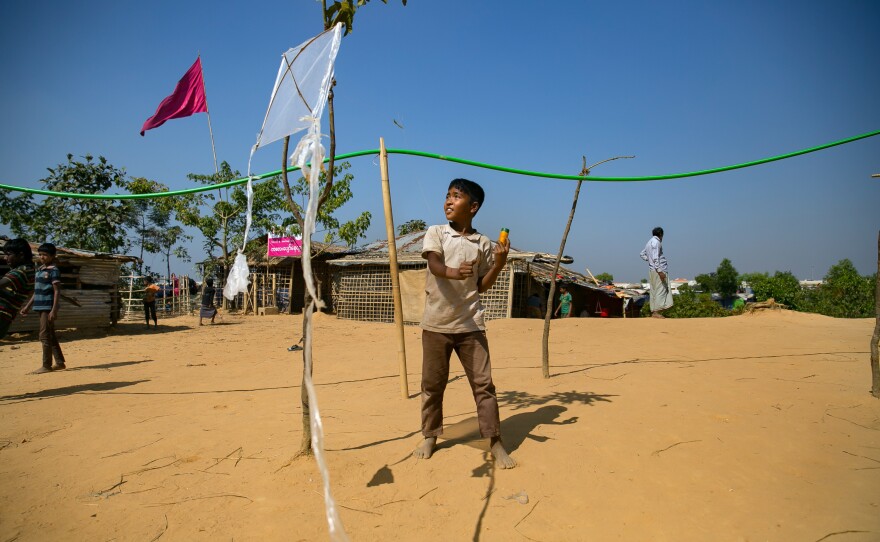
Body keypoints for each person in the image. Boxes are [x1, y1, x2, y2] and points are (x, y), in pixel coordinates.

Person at [412, 178, 516, 469]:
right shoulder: (436, 233)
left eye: (456, 197)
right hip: (436, 324)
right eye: (447, 195)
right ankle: (431, 435)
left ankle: (495, 441)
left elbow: (481, 286)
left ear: (473, 207)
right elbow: (434, 264)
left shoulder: (482, 243)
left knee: (484, 386)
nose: (448, 201)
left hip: (471, 325)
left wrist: (498, 264)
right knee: (432, 384)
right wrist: (454, 272)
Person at [20, 243, 66, 373]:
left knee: (44, 335)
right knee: (50, 334)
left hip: (47, 306)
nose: (42, 257)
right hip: (39, 305)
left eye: (45, 255)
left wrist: (54, 310)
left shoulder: (54, 270)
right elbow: (36, 290)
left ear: (52, 256)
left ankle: (46, 365)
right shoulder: (39, 270)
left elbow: (57, 291)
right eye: (40, 254)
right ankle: (60, 362)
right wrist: (27, 306)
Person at [0, 239, 35, 340]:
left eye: (9, 254)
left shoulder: (22, 271)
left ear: (21, 255)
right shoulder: (27, 269)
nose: (5, 258)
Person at [640, 226, 673, 318]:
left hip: (652, 270)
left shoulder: (648, 243)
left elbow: (642, 254)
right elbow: (655, 258)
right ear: (661, 234)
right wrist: (660, 271)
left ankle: (655, 311)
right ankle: (656, 312)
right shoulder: (656, 242)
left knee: (654, 290)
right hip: (659, 270)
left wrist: (649, 260)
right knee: (661, 290)